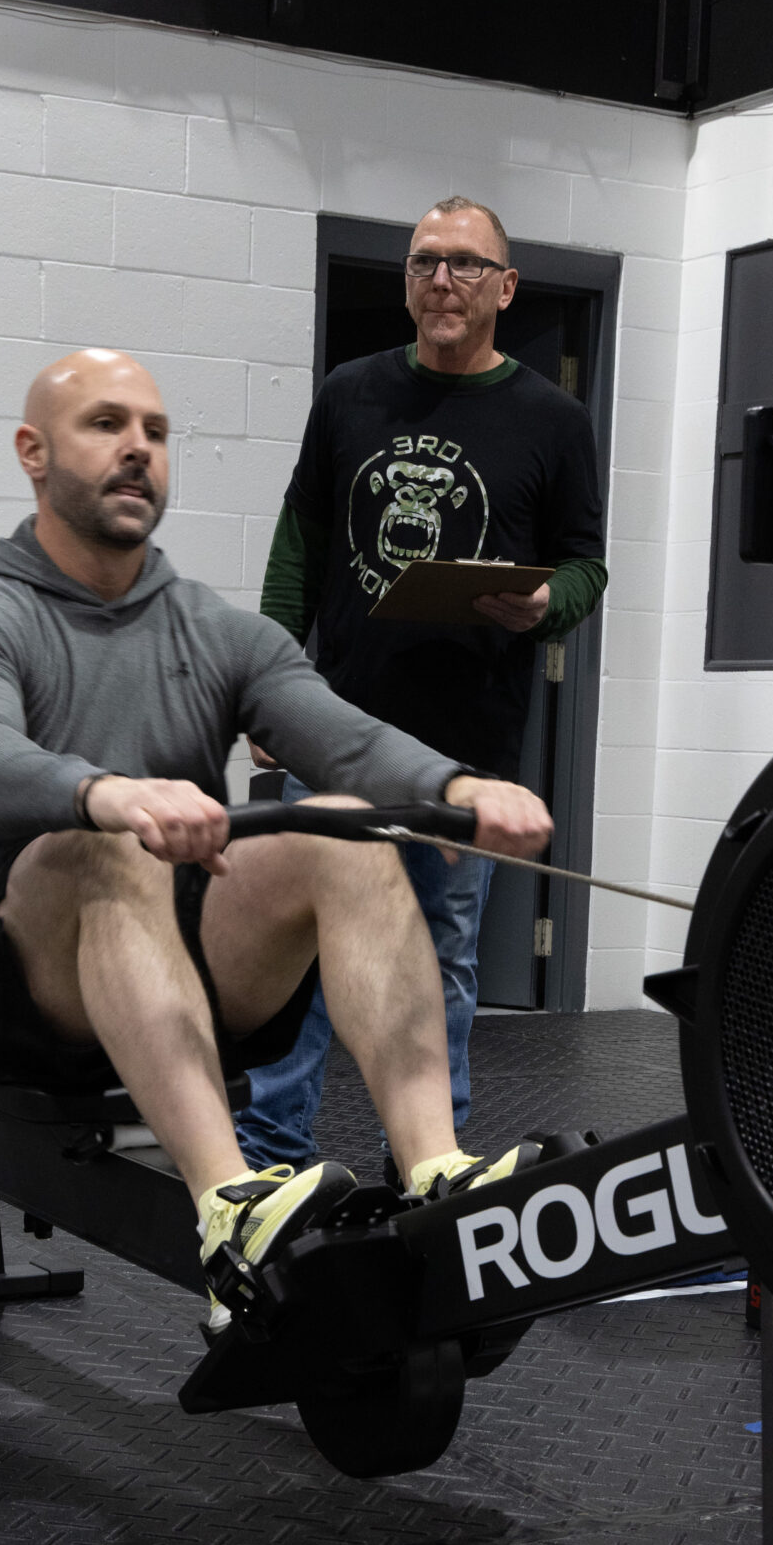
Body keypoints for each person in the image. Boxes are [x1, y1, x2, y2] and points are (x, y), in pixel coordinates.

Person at [0, 346, 554, 1328]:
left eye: (155, 433)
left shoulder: (213, 630)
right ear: (34, 452)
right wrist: (107, 795)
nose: (137, 449)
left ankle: (436, 1171)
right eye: (105, 425)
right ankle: (229, 1210)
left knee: (344, 826)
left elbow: (339, 735)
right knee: (112, 848)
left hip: (174, 953)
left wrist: (454, 786)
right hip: (5, 975)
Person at [236, 194, 608, 1175]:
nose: (442, 280)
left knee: (441, 959)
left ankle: (426, 1165)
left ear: (505, 286)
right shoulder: (349, 394)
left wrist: (547, 604)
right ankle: (268, 1161)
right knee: (300, 955)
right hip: (333, 732)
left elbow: (586, 566)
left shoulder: (553, 420)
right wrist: (268, 685)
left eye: (465, 263)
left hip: (464, 746)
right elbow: (298, 547)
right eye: (423, 262)